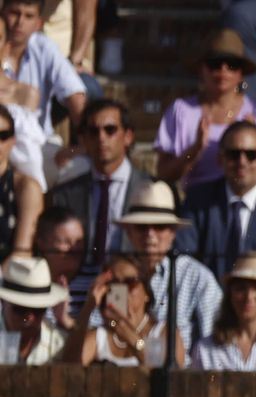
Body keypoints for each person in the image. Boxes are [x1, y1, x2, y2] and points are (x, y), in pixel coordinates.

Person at [176, 121, 256, 297]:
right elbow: (184, 261)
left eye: (251, 155)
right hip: (207, 309)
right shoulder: (198, 201)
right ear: (220, 159)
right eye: (233, 154)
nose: (242, 162)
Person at [153, 29, 256, 193]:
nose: (223, 70)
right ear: (201, 69)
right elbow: (164, 174)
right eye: (214, 64)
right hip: (198, 206)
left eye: (231, 64)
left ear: (241, 73)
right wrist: (194, 150)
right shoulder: (181, 111)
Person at [109, 183, 222, 353]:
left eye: (159, 227)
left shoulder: (197, 277)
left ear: (173, 233)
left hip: (180, 376)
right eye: (142, 227)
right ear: (129, 232)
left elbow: (213, 344)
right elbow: (100, 330)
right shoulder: (114, 274)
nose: (150, 235)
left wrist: (130, 336)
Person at [47, 98, 152, 272]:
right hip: (77, 284)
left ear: (128, 136)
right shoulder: (65, 194)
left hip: (134, 283)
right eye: (93, 131)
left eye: (110, 130)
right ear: (84, 139)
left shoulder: (150, 188)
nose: (101, 138)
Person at [71, 254, 180, 368]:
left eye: (131, 282)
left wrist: (131, 336)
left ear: (146, 292)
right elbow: (69, 370)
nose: (123, 289)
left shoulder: (163, 332)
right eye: (114, 283)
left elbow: (169, 376)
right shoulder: (100, 336)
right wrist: (89, 305)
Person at [0, 0, 84, 140]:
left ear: (39, 23)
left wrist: (84, 144)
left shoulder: (44, 47)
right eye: (15, 13)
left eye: (29, 16)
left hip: (37, 143)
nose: (20, 22)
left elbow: (75, 95)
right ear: (3, 13)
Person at [0, 255, 64, 364]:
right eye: (20, 309)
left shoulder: (59, 344)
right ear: (2, 302)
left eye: (38, 310)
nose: (29, 317)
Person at [31, 204, 83, 324]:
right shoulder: (25, 276)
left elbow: (100, 337)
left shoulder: (94, 281)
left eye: (79, 242)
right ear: (41, 242)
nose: (74, 248)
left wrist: (66, 321)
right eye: (65, 242)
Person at [0, 104, 40, 257]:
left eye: (2, 136)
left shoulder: (25, 188)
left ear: (13, 141)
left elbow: (21, 253)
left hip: (7, 276)